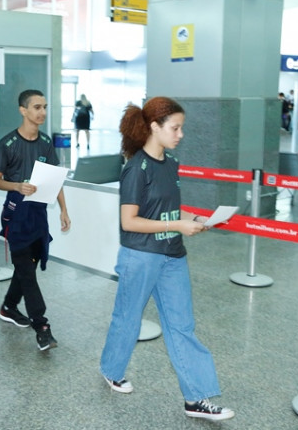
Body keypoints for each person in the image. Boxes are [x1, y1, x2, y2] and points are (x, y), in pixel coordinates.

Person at [99, 96, 234, 421]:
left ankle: (196, 398)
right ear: (154, 127)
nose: (180, 134)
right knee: (127, 318)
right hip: (141, 256)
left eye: (181, 128)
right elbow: (129, 221)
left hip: (173, 255)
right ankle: (111, 369)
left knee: (182, 326)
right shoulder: (135, 168)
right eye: (175, 128)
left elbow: (168, 208)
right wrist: (177, 224)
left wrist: (198, 219)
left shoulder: (171, 163)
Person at [0, 89, 71, 351]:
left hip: (38, 215)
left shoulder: (45, 142)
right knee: (26, 271)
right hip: (16, 215)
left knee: (27, 266)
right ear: (23, 110)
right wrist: (16, 186)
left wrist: (63, 209)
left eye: (45, 107)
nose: (42, 113)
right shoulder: (7, 143)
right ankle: (42, 326)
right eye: (37, 107)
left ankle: (8, 306)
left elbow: (55, 178)